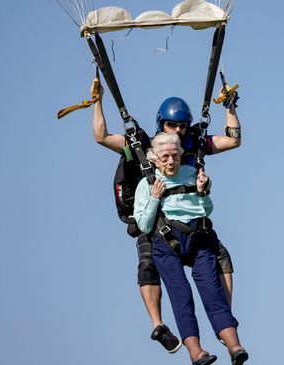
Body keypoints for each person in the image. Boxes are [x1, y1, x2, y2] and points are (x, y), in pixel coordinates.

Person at [90, 79, 242, 353]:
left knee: (222, 257)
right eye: (173, 126)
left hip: (191, 220)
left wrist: (230, 106)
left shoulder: (193, 145)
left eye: (182, 126)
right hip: (154, 220)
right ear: (162, 124)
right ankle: (158, 325)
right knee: (148, 265)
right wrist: (98, 102)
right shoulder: (146, 146)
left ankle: (224, 320)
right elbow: (102, 137)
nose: (178, 131)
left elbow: (232, 140)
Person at [134, 133, 248, 365]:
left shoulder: (192, 175)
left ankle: (235, 347)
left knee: (212, 292)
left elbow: (206, 209)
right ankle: (196, 353)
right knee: (181, 296)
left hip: (198, 239)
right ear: (155, 159)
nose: (170, 161)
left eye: (175, 156)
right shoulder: (147, 184)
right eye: (165, 157)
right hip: (166, 244)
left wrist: (203, 192)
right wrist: (155, 198)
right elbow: (144, 225)